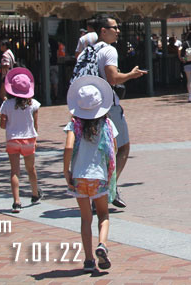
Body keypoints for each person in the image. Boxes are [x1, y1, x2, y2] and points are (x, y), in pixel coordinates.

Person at [70, 15, 146, 209]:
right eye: (114, 27)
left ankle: (97, 191)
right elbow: (112, 78)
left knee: (97, 148)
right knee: (122, 147)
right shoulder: (109, 50)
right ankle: (108, 189)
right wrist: (131, 75)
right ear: (103, 31)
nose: (118, 30)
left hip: (86, 106)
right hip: (107, 105)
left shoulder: (87, 50)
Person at [63, 75, 120, 274]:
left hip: (79, 176)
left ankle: (88, 259)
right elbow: (114, 148)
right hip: (99, 175)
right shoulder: (107, 124)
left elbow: (69, 147)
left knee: (85, 218)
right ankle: (102, 245)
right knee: (103, 214)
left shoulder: (73, 125)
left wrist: (66, 170)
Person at [0, 67, 41, 212]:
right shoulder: (33, 104)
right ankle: (35, 193)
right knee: (31, 169)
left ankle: (16, 201)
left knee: (15, 171)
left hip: (13, 139)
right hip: (29, 138)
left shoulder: (6, 104)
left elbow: (2, 125)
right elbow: (35, 124)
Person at [0, 39, 15, 105]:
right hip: (11, 74)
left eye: (1, 45)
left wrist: (0, 66)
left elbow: (7, 65)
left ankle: (7, 106)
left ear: (5, 46)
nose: (0, 47)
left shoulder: (5, 54)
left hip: (6, 75)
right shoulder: (10, 53)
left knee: (2, 93)